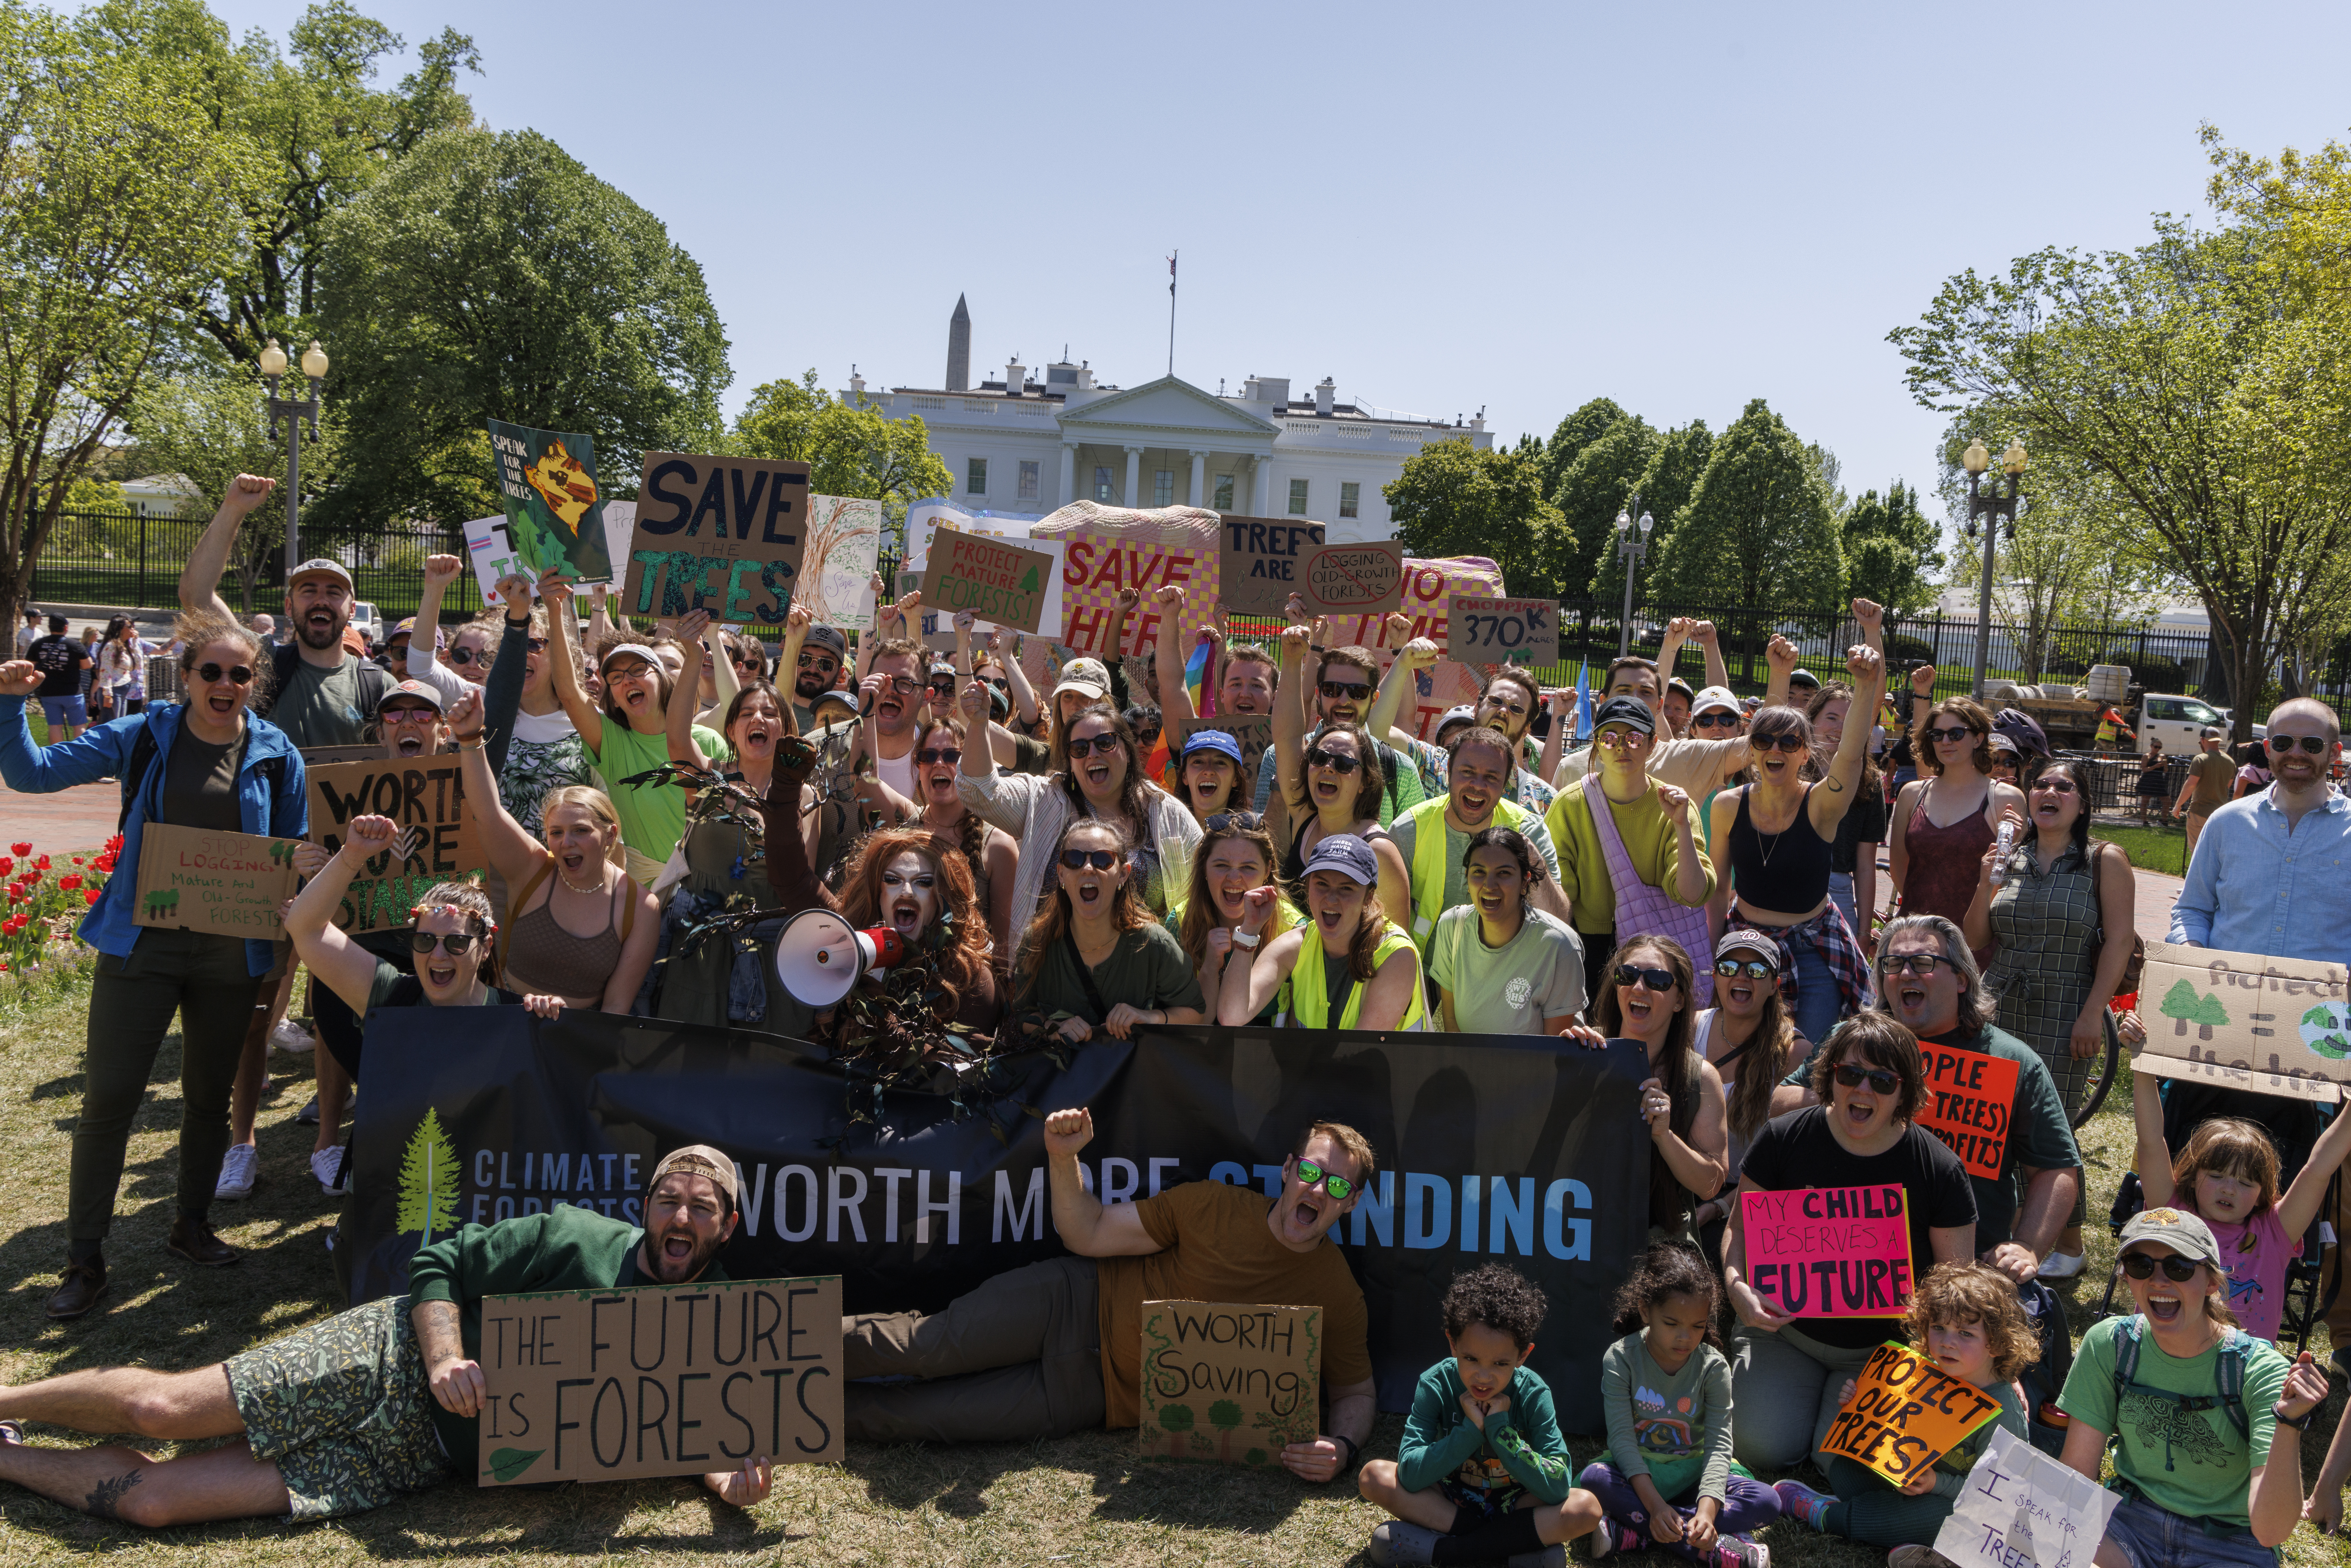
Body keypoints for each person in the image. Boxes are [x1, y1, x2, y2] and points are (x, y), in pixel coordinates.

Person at [0, 1148, 771, 1522]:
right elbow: (439, 1260)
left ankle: (7, 1457)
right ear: (647, 1209)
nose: (680, 1218)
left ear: (728, 1226)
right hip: (387, 1356)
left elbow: (690, 1424)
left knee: (157, 1505)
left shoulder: (723, 1321)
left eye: (702, 1208)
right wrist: (445, 1356)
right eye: (669, 1200)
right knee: (163, 1415)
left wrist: (723, 1482)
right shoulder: (573, 1237)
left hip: (414, 1455)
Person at [0, 612, 305, 1318]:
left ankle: (191, 1224)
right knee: (109, 1100)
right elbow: (33, 773)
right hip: (144, 945)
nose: (224, 684)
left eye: (239, 673)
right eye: (211, 671)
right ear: (188, 675)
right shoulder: (144, 734)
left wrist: (305, 865)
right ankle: (84, 1258)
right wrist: (14, 703)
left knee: (206, 1095)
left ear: (252, 682)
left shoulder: (273, 749)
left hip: (233, 951)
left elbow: (290, 845)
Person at [841, 1107, 1378, 1485]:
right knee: (925, 1346)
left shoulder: (1336, 1290)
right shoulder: (1211, 1205)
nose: (1314, 1188)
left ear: (1349, 1202)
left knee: (917, 1418)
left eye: (1334, 1185)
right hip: (1071, 1301)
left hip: (1087, 1395)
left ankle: (793, 1413)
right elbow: (1090, 1230)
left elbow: (1356, 1391)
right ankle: (774, 1349)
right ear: (1287, 1170)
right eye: (1309, 1171)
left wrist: (1344, 1447)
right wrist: (1061, 1157)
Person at [1724, 1012, 1979, 1472]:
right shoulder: (1783, 1138)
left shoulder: (1939, 1170)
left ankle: (1824, 1429)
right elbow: (1739, 1229)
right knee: (1761, 1447)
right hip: (1784, 1335)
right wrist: (1737, 1287)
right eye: (1851, 1074)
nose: (1864, 1091)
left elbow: (1956, 1289)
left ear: (1905, 1093)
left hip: (1883, 1351)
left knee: (1844, 1465)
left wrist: (1925, 1359)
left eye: (1883, 1081)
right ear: (1830, 1076)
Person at [1784, 915, 2083, 1285]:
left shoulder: (2012, 1062)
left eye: (1923, 963)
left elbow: (2055, 1169)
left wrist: (2027, 1246)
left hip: (1964, 1271)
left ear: (1961, 979)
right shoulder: (1850, 1041)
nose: (1906, 973)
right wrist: (1843, 1094)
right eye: (1893, 964)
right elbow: (1778, 1103)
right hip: (1847, 1259)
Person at [2169, 698, 2350, 1259]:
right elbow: (2190, 909)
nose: (2296, 754)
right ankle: (2177, 1245)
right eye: (2283, 743)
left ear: (2334, 753)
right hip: (2221, 1018)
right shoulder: (2227, 822)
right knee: (2192, 1131)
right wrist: (2193, 955)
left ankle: (2273, 1260)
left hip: (2317, 1028)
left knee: (2296, 1146)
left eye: (2312, 744)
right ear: (2265, 748)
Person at [2057, 1207, 2323, 1564]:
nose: (2158, 1281)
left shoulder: (2258, 1369)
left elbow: (2270, 1531)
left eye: (2178, 1267)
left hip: (2230, 1540)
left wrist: (2288, 1423)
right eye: (2140, 1265)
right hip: (2128, 1522)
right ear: (2125, 1277)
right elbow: (2078, 1469)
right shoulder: (2110, 1344)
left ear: (2212, 1281)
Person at [1962, 756, 2133, 1267]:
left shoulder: (2104, 858)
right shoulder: (2007, 856)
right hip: (1998, 1002)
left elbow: (2119, 941)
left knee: (2051, 1126)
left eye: (2063, 786)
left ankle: (2069, 1242)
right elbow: (1974, 938)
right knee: (1995, 1122)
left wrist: (2092, 1013)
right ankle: (2011, 1227)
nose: (2049, 792)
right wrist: (1983, 880)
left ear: (2081, 803)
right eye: (2040, 784)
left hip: (2067, 1004)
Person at [1774, 1261, 2034, 1555]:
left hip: (1947, 1500)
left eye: (1965, 1334)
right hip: (1900, 1483)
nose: (1947, 1342)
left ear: (1996, 1344)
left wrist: (1936, 1483)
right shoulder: (1920, 1369)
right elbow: (1887, 1426)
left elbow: (1996, 1495)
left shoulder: (2003, 1414)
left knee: (1941, 1519)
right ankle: (1876, 1513)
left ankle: (1831, 1515)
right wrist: (1858, 1402)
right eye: (1938, 1328)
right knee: (1845, 1467)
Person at [1359, 1263, 1605, 1567]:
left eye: (1501, 1364)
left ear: (1523, 1356)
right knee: (1374, 1477)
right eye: (1471, 1358)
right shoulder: (1435, 1382)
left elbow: (1557, 1484)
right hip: (1450, 1499)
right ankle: (1504, 1551)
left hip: (1514, 1502)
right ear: (1453, 1343)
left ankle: (1449, 1553)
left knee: (1587, 1509)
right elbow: (1409, 1472)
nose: (1483, 1377)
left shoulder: (1533, 1392)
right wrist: (1471, 1430)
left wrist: (1500, 1430)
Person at [1706, 640, 1884, 1048]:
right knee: (1745, 1055)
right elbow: (1718, 889)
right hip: (1745, 948)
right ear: (1751, 752)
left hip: (1813, 946)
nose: (1776, 750)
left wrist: (1866, 687)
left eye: (1789, 744)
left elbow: (1852, 759)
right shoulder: (1728, 806)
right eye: (1765, 742)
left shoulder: (1822, 805)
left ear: (1805, 754)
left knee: (1807, 1063)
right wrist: (1713, 955)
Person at [449, 689, 659, 1011]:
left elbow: (616, 1007)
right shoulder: (533, 869)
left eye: (581, 831)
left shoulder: (640, 906)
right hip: (504, 1021)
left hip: (575, 1042)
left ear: (610, 835)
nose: (567, 843)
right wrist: (469, 740)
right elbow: (488, 812)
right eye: (556, 833)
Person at [1578, 1244, 1779, 1565]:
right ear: (1645, 1311)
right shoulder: (1620, 1358)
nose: (1685, 1338)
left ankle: (1633, 1528)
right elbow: (1621, 1440)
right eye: (1671, 1324)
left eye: (1697, 1326)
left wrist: (1707, 1512)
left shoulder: (1713, 1367)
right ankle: (1710, 1550)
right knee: (1594, 1479)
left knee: (1767, 1501)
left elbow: (1718, 1445)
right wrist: (1656, 1506)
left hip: (1694, 1473)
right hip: (1641, 1474)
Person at [2127, 1063, 2351, 1345]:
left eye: (2245, 1183)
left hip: (2239, 1381)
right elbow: (2150, 1141)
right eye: (2217, 1175)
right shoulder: (2171, 1214)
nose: (2229, 1189)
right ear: (2193, 1178)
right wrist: (2142, 1065)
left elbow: (2318, 1170)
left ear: (2262, 1194)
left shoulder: (2274, 1233)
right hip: (2159, 1367)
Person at [957, 679, 1200, 934]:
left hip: (1147, 970)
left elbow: (1208, 881)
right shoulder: (1043, 799)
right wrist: (978, 723)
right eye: (1080, 748)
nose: (1093, 754)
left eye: (1105, 743)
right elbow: (978, 791)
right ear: (1070, 760)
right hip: (1055, 968)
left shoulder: (1166, 812)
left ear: (1127, 751)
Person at [646, 625, 799, 1025]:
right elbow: (677, 738)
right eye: (747, 713)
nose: (758, 719)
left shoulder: (806, 799)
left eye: (770, 713)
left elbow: (803, 883)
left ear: (785, 729)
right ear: (731, 730)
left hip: (770, 950)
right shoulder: (708, 782)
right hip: (699, 949)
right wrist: (694, 658)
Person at [540, 572, 730, 883]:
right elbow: (568, 691)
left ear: (662, 678)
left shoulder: (707, 741)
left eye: (639, 670)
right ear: (612, 695)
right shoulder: (612, 743)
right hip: (647, 895)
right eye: (615, 678)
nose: (627, 680)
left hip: (712, 888)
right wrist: (553, 608)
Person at [180, 475, 396, 745]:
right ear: (289, 606)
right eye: (309, 591)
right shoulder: (260, 660)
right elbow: (196, 596)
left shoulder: (381, 686)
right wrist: (233, 509)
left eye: (333, 592)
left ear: (352, 610)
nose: (321, 600)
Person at [1545, 697, 1713, 1007]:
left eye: (1634, 738)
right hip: (1586, 946)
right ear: (1595, 744)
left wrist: (1680, 825)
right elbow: (1558, 900)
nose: (1621, 747)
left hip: (1653, 950)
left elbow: (1692, 894)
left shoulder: (1676, 806)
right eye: (1609, 738)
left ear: (1653, 745)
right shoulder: (1569, 805)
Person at [1009, 818, 1204, 1042]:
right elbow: (1024, 1015)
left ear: (1123, 874)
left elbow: (1196, 1012)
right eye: (1074, 860)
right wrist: (1053, 1028)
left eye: (1103, 860)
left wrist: (1149, 1018)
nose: (1088, 869)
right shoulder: (1036, 942)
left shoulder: (1155, 943)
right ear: (1061, 874)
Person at [1273, 623, 1412, 927]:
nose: (1327, 767)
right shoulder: (1303, 815)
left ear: (1365, 782)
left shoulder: (1380, 852)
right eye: (1320, 758)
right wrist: (1292, 660)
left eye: (1344, 764)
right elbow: (1287, 736)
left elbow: (1399, 948)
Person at [1595, 937, 1729, 1244]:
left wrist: (1665, 1137)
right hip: (1584, 1232)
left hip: (1661, 1242)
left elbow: (1710, 1185)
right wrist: (1563, 1063)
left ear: (1679, 1000)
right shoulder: (1585, 1052)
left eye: (1657, 980)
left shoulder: (1701, 1078)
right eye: (1627, 975)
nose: (1639, 988)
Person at [1222, 834, 1427, 1030]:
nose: (1331, 899)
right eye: (1322, 884)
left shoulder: (1396, 955)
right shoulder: (1295, 945)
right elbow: (1232, 1017)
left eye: (1346, 889)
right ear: (1307, 888)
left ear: (1368, 897)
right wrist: (1250, 929)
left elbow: (1359, 1053)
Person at [823, 825, 1004, 1037]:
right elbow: (796, 882)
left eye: (923, 882)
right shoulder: (858, 948)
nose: (907, 892)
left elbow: (953, 1067)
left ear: (941, 900)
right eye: (892, 880)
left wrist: (885, 1021)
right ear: (877, 895)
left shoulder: (970, 977)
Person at [1689, 931, 1805, 1248]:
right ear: (1715, 976)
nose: (1741, 976)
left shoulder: (1793, 1053)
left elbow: (1792, 1158)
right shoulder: (1689, 1028)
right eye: (1729, 967)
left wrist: (1721, 1207)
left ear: (1774, 986)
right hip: (1680, 1182)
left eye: (1755, 970)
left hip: (1744, 1203)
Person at [1888, 693, 2025, 943]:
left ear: (1978, 739)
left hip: (1977, 941)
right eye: (1937, 735)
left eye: (1957, 734)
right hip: (1915, 935)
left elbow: (2011, 880)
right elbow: (1900, 869)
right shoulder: (1912, 795)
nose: (1946, 741)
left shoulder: (2005, 798)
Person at [1251, 633, 1427, 826]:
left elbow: (1412, 850)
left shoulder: (1401, 770)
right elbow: (1264, 843)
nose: (1344, 700)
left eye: (1357, 692)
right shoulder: (1277, 757)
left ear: (1374, 699)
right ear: (1319, 694)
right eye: (1333, 690)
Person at [1429, 826, 1586, 1035]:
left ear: (1525, 881)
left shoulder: (1561, 946)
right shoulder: (1451, 927)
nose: (1490, 885)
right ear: (1467, 879)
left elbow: (1553, 1052)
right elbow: (1451, 1023)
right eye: (1479, 872)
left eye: (1504, 873)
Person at [469, 572, 587, 839]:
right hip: (502, 874)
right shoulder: (482, 713)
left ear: (557, 652)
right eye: (514, 647)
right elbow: (423, 668)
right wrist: (435, 586)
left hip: (571, 870)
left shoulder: (587, 722)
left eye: (535, 644)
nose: (524, 653)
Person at [1167, 810, 1297, 1025]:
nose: (1234, 878)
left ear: (1268, 870)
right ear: (1204, 867)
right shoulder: (1181, 922)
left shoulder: (1293, 929)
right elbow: (1181, 1023)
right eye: (1222, 866)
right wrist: (1210, 966)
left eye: (1248, 867)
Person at [1804, 676, 1885, 935]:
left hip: (1838, 889)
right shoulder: (1787, 768)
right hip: (1785, 882)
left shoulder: (1869, 781)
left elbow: (1865, 864)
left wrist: (1863, 930)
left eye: (1850, 720)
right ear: (1812, 720)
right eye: (1831, 718)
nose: (1840, 728)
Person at [25, 613, 91, 741]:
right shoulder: (74, 645)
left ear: (50, 627)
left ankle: (56, 756)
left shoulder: (38, 644)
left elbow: (29, 666)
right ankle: (81, 755)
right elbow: (87, 665)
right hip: (72, 692)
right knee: (79, 726)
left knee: (55, 726)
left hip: (48, 692)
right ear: (66, 627)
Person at [2174, 725, 2232, 862]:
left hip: (2199, 813)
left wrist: (2178, 806)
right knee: (2214, 855)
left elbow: (2191, 784)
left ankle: (2196, 884)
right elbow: (2227, 787)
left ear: (2203, 740)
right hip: (2220, 816)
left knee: (2197, 854)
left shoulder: (2200, 759)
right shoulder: (2230, 762)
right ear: (2218, 741)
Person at [1170, 726, 1248, 824]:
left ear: (1236, 779)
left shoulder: (1251, 837)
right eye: (1198, 762)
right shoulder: (1161, 833)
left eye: (1220, 763)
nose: (1209, 771)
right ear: (1185, 777)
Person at [789, 621, 847, 731]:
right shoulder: (769, 708)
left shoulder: (848, 720)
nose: (813, 669)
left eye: (826, 664)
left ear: (840, 673)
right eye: (804, 659)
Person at [91, 615, 138, 722]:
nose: (133, 629)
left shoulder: (126, 646)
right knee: (110, 726)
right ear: (120, 629)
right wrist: (107, 695)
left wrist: (135, 643)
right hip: (113, 691)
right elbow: (105, 671)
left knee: (119, 725)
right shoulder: (111, 646)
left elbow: (137, 666)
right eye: (130, 626)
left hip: (123, 690)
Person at [2135, 739, 2168, 826]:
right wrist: (2155, 766)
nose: (2158, 749)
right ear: (2151, 746)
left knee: (2167, 801)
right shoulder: (2146, 756)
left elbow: (2166, 770)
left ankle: (2164, 820)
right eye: (2156, 747)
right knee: (2145, 801)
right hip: (2148, 780)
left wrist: (2165, 765)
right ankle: (2145, 821)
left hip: (2159, 781)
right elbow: (2144, 770)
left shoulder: (2162, 756)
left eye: (2160, 747)